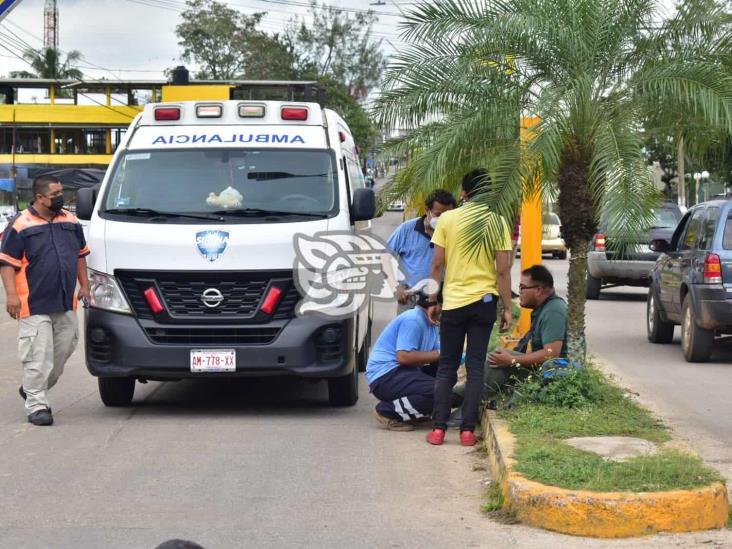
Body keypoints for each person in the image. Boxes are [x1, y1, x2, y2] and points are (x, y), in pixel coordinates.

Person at [426, 169, 513, 446]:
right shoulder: (498, 222)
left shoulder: (447, 220)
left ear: (463, 193)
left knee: (447, 366)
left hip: (453, 303)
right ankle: (466, 431)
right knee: (475, 366)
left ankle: (438, 429)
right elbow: (502, 271)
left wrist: (433, 300)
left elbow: (438, 264)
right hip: (484, 303)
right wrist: (508, 308)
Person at [0, 175, 91, 426]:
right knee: (38, 357)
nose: (60, 197)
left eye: (61, 192)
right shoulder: (20, 225)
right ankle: (37, 404)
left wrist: (84, 285)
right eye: (55, 194)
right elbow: (7, 263)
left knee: (62, 352)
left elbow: (80, 256)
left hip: (64, 301)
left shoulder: (70, 221)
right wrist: (11, 295)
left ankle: (31, 388)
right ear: (39, 197)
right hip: (33, 303)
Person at [485, 264, 567, 401]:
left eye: (522, 288)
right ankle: (460, 397)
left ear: (539, 290)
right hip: (539, 371)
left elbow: (551, 354)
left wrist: (512, 360)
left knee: (498, 358)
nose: (520, 292)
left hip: (552, 376)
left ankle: (471, 406)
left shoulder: (554, 311)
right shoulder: (544, 308)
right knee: (496, 358)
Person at [367, 291, 441, 431]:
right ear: (434, 305)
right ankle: (387, 411)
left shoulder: (432, 323)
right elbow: (404, 357)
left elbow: (440, 355)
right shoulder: (413, 320)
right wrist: (438, 355)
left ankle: (413, 413)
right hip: (385, 376)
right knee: (439, 391)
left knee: (446, 378)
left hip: (403, 371)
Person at [386, 189, 456, 313]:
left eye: (447, 216)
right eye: (438, 214)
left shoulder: (455, 234)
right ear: (427, 211)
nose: (442, 220)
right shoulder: (406, 230)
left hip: (443, 298)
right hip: (410, 297)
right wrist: (396, 288)